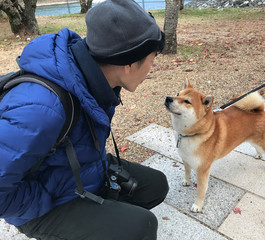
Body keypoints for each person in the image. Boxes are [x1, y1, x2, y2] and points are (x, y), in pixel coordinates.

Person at [0, 0, 169, 239]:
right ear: (129, 64)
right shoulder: (42, 110)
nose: (151, 69)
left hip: (75, 170)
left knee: (156, 186)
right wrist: (51, 196)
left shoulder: (94, 73)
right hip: (44, 203)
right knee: (142, 227)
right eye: (152, 60)